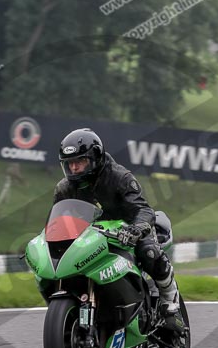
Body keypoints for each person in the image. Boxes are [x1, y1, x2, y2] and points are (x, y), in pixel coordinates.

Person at [53, 127, 182, 325]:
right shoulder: (64, 189)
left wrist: (137, 229)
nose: (74, 168)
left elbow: (143, 209)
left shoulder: (119, 177)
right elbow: (59, 220)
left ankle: (169, 295)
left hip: (127, 231)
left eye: (80, 161)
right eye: (70, 163)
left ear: (95, 158)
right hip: (91, 237)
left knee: (148, 251)